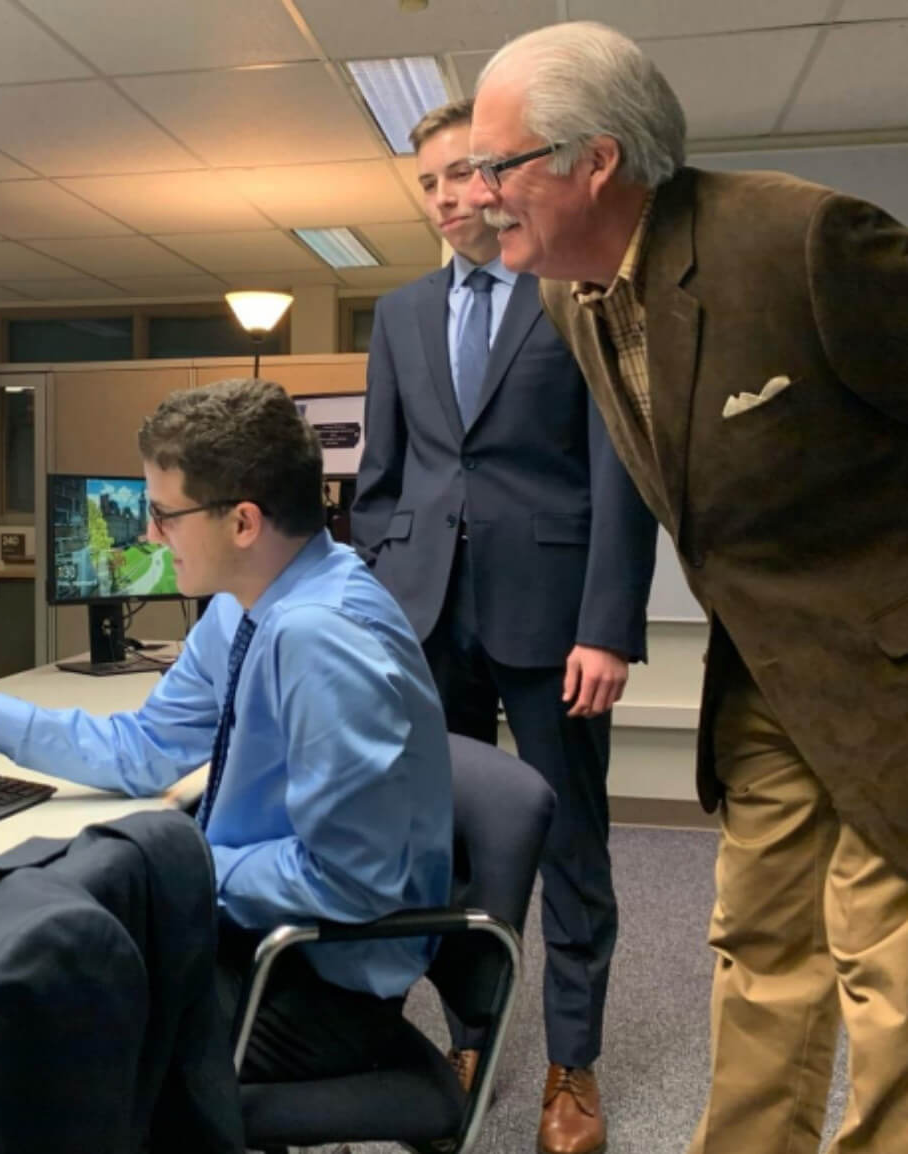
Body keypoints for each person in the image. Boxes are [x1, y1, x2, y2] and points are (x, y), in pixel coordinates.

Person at [469, 21, 908, 1154]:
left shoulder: (800, 238)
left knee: (886, 960)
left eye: (498, 164)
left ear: (592, 160)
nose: (477, 192)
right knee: (757, 942)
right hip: (761, 673)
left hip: (887, 664)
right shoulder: (572, 299)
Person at [0, 378, 453, 1084]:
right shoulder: (246, 606)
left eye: (163, 514)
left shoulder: (321, 637)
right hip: (257, 931)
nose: (148, 535)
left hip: (313, 978)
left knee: (33, 1035)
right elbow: (144, 749)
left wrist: (174, 866)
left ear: (242, 523)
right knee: (28, 972)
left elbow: (355, 884)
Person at [351, 98, 656, 1154]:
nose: (445, 198)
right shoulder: (395, 314)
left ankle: (570, 1063)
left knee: (568, 844)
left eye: (461, 175)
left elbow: (619, 467)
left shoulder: (575, 294)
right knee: (436, 845)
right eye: (426, 182)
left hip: (553, 621)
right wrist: (378, 605)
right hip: (423, 621)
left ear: (497, 179)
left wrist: (608, 623)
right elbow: (381, 480)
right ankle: (468, 1031)